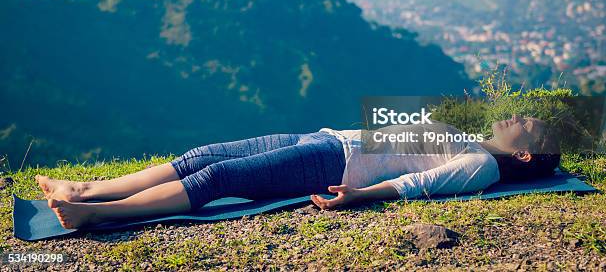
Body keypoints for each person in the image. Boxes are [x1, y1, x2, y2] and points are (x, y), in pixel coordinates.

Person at [36, 114, 560, 229]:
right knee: (204, 156)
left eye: (526, 125)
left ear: (525, 156)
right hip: (325, 139)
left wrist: (360, 195)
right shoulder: (475, 142)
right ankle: (86, 187)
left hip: (335, 163)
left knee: (220, 180)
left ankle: (96, 213)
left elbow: (417, 184)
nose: (517, 115)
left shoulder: (483, 165)